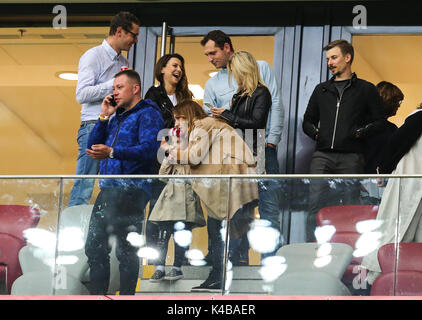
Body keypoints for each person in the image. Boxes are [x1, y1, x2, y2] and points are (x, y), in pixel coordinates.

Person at [201, 29, 284, 263]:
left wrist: (271, 141)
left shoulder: (261, 73)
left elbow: (273, 105)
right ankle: (238, 259)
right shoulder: (218, 85)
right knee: (238, 207)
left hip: (260, 147)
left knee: (267, 205)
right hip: (233, 153)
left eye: (213, 52)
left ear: (227, 47)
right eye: (206, 54)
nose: (210, 58)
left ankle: (270, 260)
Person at [160, 100, 259, 292]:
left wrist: (170, 149)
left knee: (217, 228)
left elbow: (194, 156)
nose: (177, 122)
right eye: (175, 119)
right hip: (235, 179)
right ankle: (220, 274)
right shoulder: (211, 125)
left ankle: (218, 276)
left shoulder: (201, 125)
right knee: (223, 229)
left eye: (180, 117)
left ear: (190, 114)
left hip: (228, 179)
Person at [84, 70, 164, 295]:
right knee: (95, 247)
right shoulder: (116, 116)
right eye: (114, 88)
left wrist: (112, 153)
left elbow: (150, 150)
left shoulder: (149, 113)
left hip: (132, 187)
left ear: (135, 88)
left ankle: (126, 297)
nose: (114, 92)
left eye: (119, 87)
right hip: (110, 187)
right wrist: (103, 116)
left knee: (125, 249)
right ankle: (101, 296)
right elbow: (91, 147)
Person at [302, 39, 385, 242]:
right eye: (328, 59)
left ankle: (348, 251)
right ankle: (312, 250)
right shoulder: (321, 89)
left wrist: (358, 133)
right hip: (322, 157)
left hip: (352, 157)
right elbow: (307, 121)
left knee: (350, 207)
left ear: (347, 58)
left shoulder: (366, 89)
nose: (330, 62)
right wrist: (317, 134)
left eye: (334, 57)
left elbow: (380, 122)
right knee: (315, 205)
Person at [68, 11, 140, 207]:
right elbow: (81, 95)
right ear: (119, 31)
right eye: (133, 35)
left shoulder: (124, 63)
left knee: (112, 186)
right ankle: (72, 235)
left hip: (115, 129)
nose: (135, 40)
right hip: (93, 125)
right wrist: (114, 85)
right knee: (84, 187)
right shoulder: (92, 56)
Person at [211, 50, 272, 263]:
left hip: (254, 153)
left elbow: (256, 122)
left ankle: (245, 256)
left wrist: (227, 115)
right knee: (236, 206)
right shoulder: (239, 94)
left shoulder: (261, 92)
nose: (232, 75)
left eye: (235, 71)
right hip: (236, 154)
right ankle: (237, 254)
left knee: (248, 205)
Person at [361, 104, 422, 286]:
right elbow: (396, 143)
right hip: (408, 184)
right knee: (393, 230)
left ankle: (408, 283)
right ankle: (372, 282)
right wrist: (383, 170)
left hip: (414, 185)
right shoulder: (419, 117)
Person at [143, 53, 194, 259]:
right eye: (175, 65)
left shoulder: (186, 97)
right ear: (162, 69)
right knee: (158, 208)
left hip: (182, 160)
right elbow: (151, 126)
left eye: (181, 66)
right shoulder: (153, 95)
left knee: (182, 210)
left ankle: (180, 261)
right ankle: (154, 260)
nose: (179, 70)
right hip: (161, 159)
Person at [360, 81, 404, 205]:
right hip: (366, 185)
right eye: (397, 102)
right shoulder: (389, 129)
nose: (399, 106)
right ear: (389, 101)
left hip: (375, 185)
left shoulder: (390, 129)